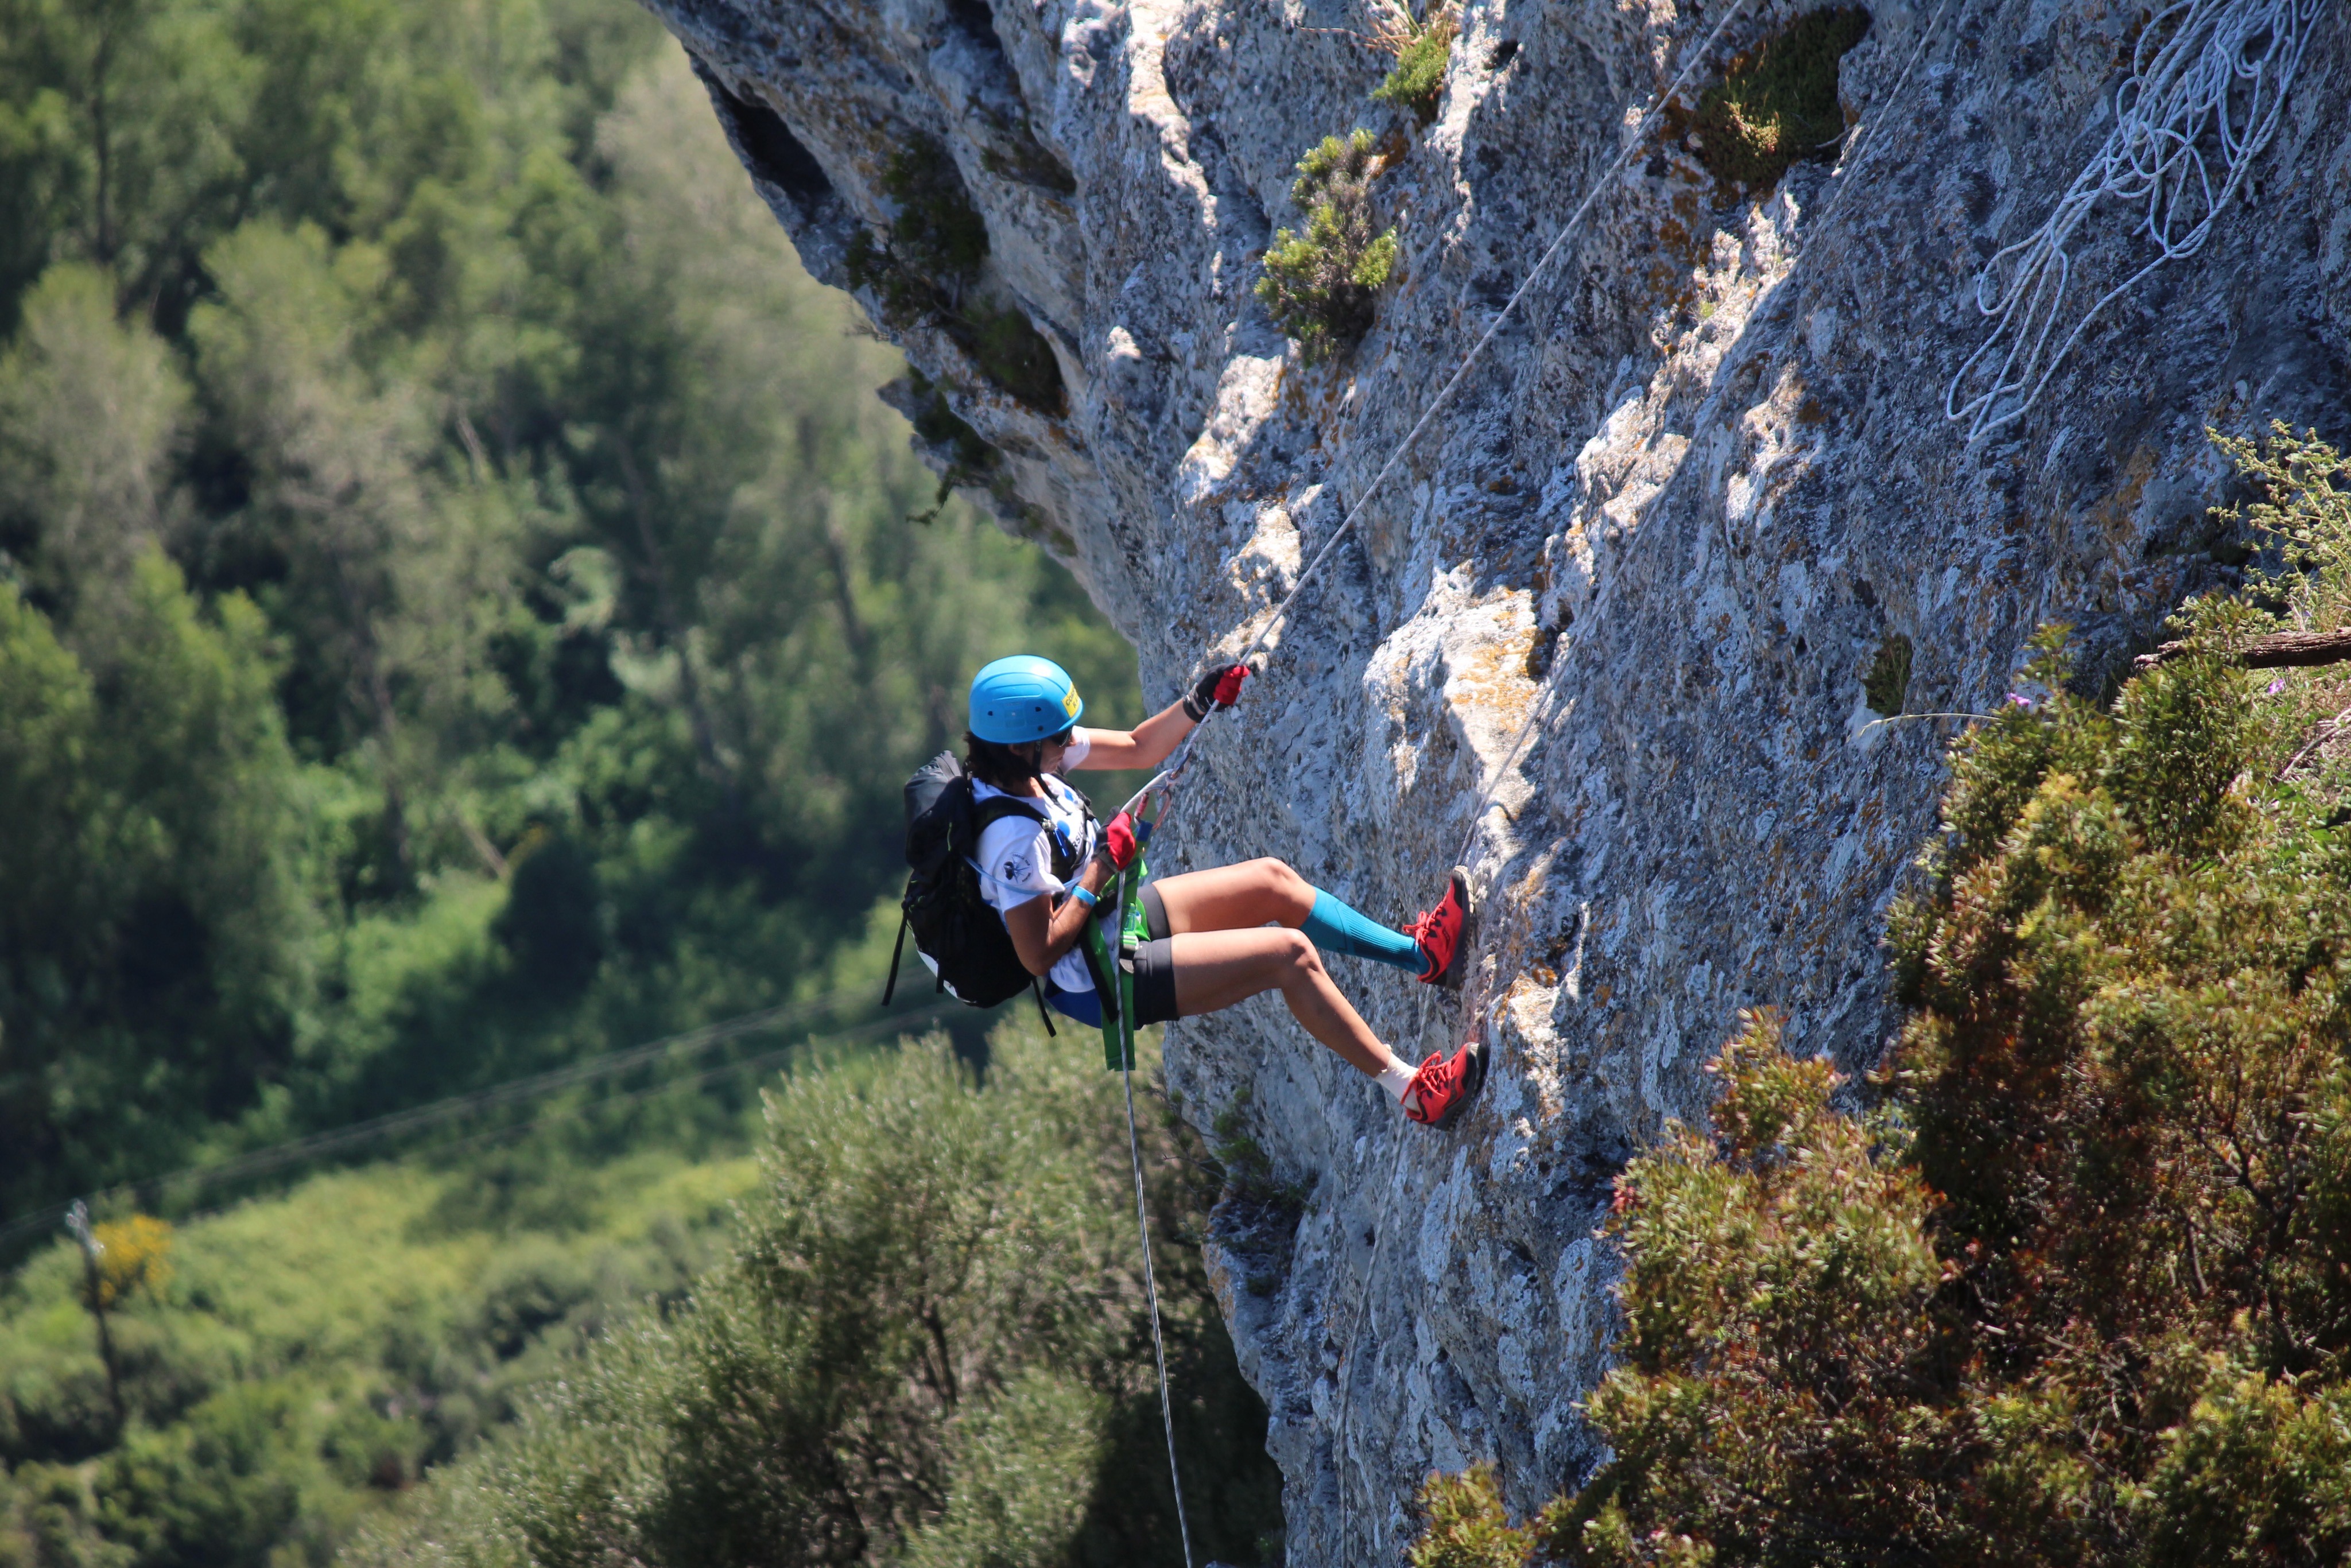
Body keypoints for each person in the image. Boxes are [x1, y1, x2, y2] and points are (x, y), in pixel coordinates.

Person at [962, 653, 1486, 1128]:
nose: (1071, 739)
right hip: (1091, 976)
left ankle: (1421, 957)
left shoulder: (1036, 762)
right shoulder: (1012, 837)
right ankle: (1412, 1091)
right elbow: (1038, 955)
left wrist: (1199, 699)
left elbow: (1141, 747)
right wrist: (1102, 864)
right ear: (1019, 746)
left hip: (1110, 917)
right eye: (1060, 736)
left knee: (1272, 880)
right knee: (1290, 955)